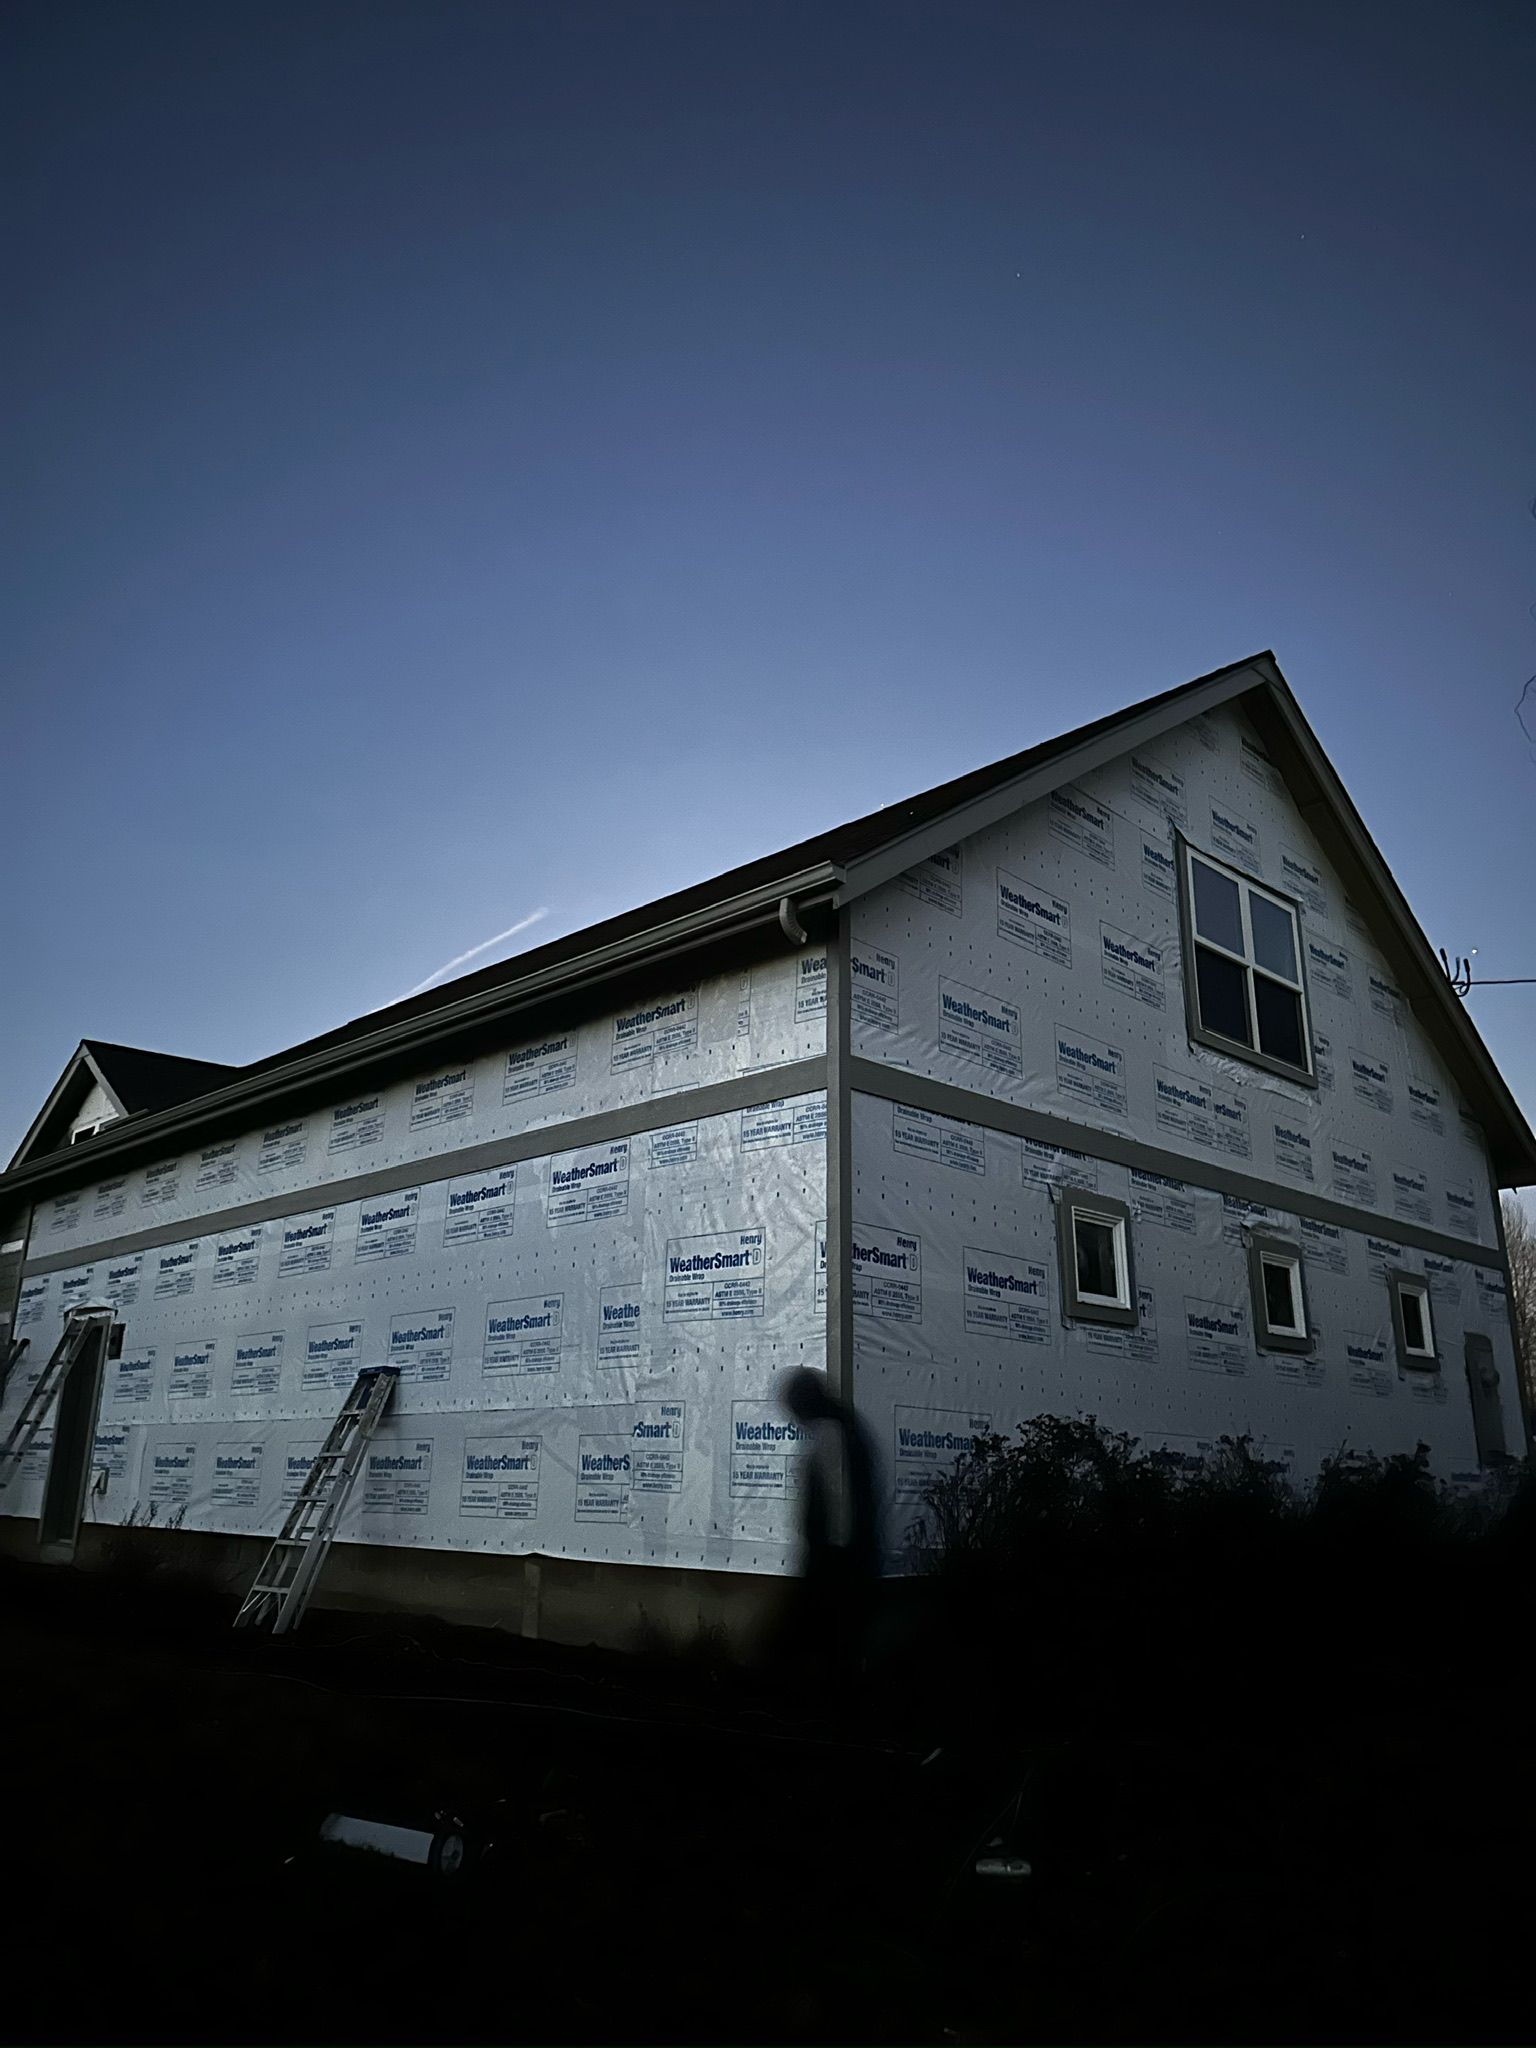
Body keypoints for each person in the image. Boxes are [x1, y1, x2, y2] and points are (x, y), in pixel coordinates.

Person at [777, 1366, 880, 1676]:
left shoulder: (829, 1432)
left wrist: (831, 1554)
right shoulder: (845, 1425)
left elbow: (838, 1500)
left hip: (837, 1559)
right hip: (847, 1557)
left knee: (829, 1639)